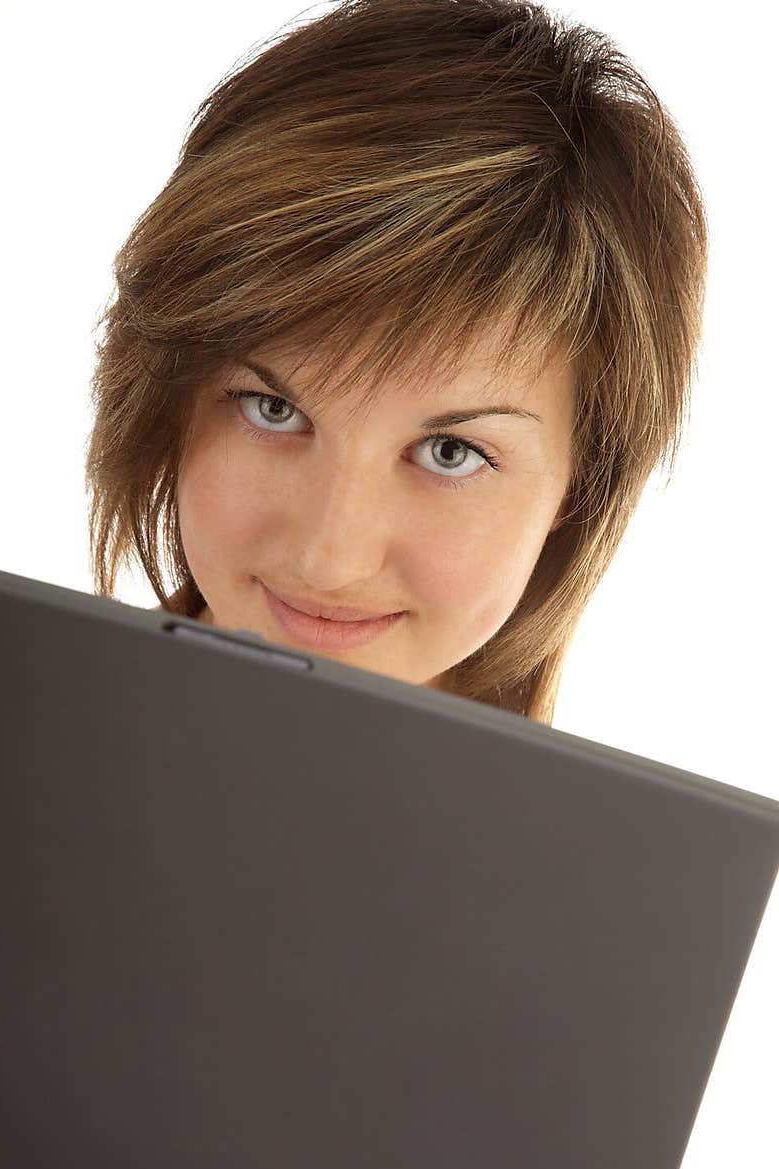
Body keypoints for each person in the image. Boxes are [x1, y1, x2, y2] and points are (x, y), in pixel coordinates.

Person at [84, 0, 708, 724]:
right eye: (273, 408)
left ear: (581, 484)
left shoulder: (639, 843)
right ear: (168, 393)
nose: (329, 560)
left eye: (450, 452)